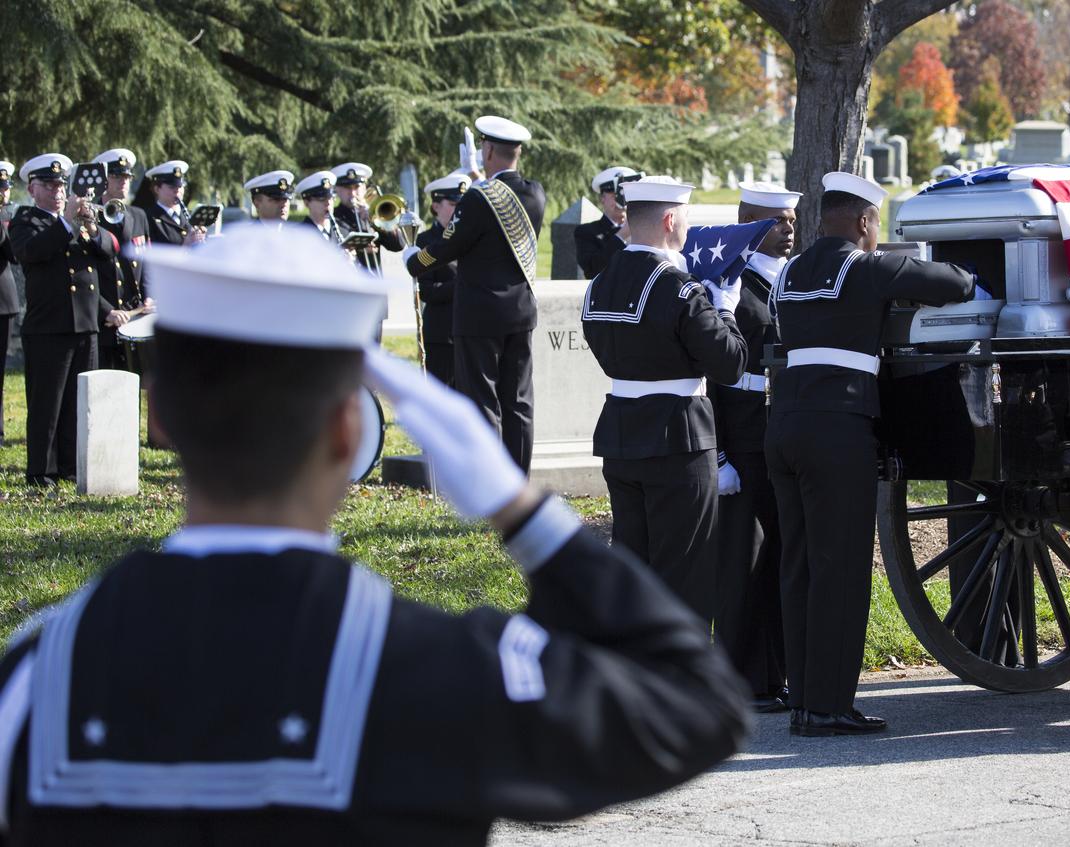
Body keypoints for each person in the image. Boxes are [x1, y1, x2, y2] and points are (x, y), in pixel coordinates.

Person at [0, 225, 749, 844]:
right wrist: (520, 508)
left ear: (157, 416)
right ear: (348, 429)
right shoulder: (437, 664)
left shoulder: (33, 673)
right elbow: (697, 701)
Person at [766, 171, 975, 736]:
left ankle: (806, 701)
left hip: (783, 424)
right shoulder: (867, 266)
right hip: (839, 427)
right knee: (841, 568)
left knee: (801, 566)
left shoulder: (789, 273)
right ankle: (831, 706)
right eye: (874, 224)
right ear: (863, 222)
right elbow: (956, 283)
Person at [580, 176, 747, 624]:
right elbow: (730, 363)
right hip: (678, 440)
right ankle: (682, 687)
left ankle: (636, 681)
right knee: (686, 577)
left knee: (634, 572)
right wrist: (725, 308)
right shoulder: (679, 288)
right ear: (671, 219)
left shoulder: (598, 284)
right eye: (687, 218)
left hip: (621, 435)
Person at [410, 116, 546, 473]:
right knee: (518, 402)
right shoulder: (535, 193)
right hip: (520, 311)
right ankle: (518, 481)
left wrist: (414, 260)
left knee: (483, 401)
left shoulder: (476, 199)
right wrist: (476, 181)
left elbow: (447, 247)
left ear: (486, 151)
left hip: (478, 315)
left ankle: (492, 486)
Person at [710, 181, 799, 712]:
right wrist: (719, 453)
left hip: (781, 431)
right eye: (776, 221)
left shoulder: (790, 279)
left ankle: (776, 673)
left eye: (791, 221)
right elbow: (712, 379)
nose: (788, 230)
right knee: (744, 563)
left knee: (782, 555)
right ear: (748, 221)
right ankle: (742, 679)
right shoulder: (729, 283)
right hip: (742, 438)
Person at [9, 153, 118, 487]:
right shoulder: (26, 221)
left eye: (61, 185)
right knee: (47, 404)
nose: (58, 191)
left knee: (79, 402)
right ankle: (41, 471)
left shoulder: (76, 222)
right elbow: (31, 252)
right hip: (49, 326)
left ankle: (71, 465)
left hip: (85, 324)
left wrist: (91, 225)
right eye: (49, 184)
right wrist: (67, 222)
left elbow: (108, 251)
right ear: (32, 188)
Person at [404, 171, 471, 387]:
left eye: (462, 205)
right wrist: (463, 285)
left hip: (472, 331)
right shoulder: (425, 241)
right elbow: (426, 290)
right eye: (453, 204)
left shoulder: (471, 236)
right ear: (436, 206)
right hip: (442, 334)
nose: (458, 210)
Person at [90, 148, 153, 369]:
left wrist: (149, 296)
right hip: (105, 317)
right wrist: (106, 310)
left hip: (134, 314)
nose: (123, 182)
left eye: (126, 177)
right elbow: (85, 272)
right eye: (116, 176)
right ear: (103, 180)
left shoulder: (138, 216)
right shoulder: (89, 217)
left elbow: (145, 264)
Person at [331, 161, 406, 272]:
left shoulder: (374, 216)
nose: (352, 193)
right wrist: (361, 248)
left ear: (365, 188)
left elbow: (398, 244)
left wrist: (376, 220)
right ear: (337, 189)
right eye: (347, 188)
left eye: (357, 187)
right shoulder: (334, 217)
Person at [574, 166, 638, 277]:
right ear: (602, 198)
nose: (621, 203)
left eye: (625, 196)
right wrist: (621, 235)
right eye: (615, 196)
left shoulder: (643, 229)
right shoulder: (586, 232)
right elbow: (592, 270)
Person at [143, 160, 204, 247]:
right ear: (157, 189)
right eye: (172, 187)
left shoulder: (190, 217)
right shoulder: (147, 218)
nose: (178, 190)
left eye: (180, 186)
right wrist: (185, 246)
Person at [0, 160, 18, 442]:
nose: (3, 192)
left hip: (2, 302)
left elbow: (15, 254)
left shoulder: (12, 217)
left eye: (4, 186)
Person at [294, 170, 347, 246]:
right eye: (322, 199)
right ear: (306, 203)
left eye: (331, 198)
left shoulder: (344, 232)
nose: (328, 203)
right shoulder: (298, 234)